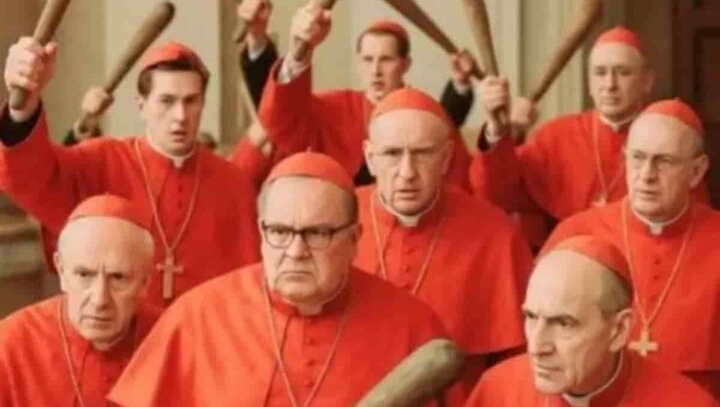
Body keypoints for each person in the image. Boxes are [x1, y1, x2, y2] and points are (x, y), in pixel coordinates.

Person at [108, 152, 460, 407]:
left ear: (354, 239)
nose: (296, 251)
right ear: (261, 233)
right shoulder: (196, 316)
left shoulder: (412, 326)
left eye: (317, 233)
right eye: (279, 231)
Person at [0, 39, 260, 307]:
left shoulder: (232, 183)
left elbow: (247, 290)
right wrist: (24, 107)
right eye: (167, 101)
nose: (181, 115)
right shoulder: (101, 160)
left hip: (202, 331)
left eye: (191, 101)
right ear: (142, 105)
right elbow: (28, 174)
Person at [355, 87, 533, 395]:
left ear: (447, 157)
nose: (407, 172)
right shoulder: (333, 221)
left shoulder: (496, 234)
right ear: (370, 158)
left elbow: (515, 368)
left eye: (422, 153)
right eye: (392, 154)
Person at [544, 99, 720, 398]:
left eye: (664, 161)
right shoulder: (575, 233)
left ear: (696, 171)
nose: (647, 174)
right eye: (638, 158)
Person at [466, 235, 719, 406]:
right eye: (531, 317)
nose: (536, 347)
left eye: (563, 323)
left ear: (618, 330)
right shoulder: (496, 390)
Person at [257, 0, 477, 186]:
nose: (375, 70)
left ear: (405, 64)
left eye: (386, 59)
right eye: (368, 59)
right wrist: (298, 54)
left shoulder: (425, 114)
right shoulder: (334, 107)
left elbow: (458, 182)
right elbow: (281, 121)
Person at [471, 26, 658, 223]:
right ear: (590, 83)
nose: (610, 84)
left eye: (623, 73)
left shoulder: (665, 137)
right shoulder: (556, 136)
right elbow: (497, 194)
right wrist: (496, 130)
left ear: (647, 81)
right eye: (600, 73)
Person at [0, 195, 162, 407]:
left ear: (144, 282)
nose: (99, 300)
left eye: (118, 277)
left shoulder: (171, 338)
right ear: (61, 270)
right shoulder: (9, 345)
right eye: (84, 275)